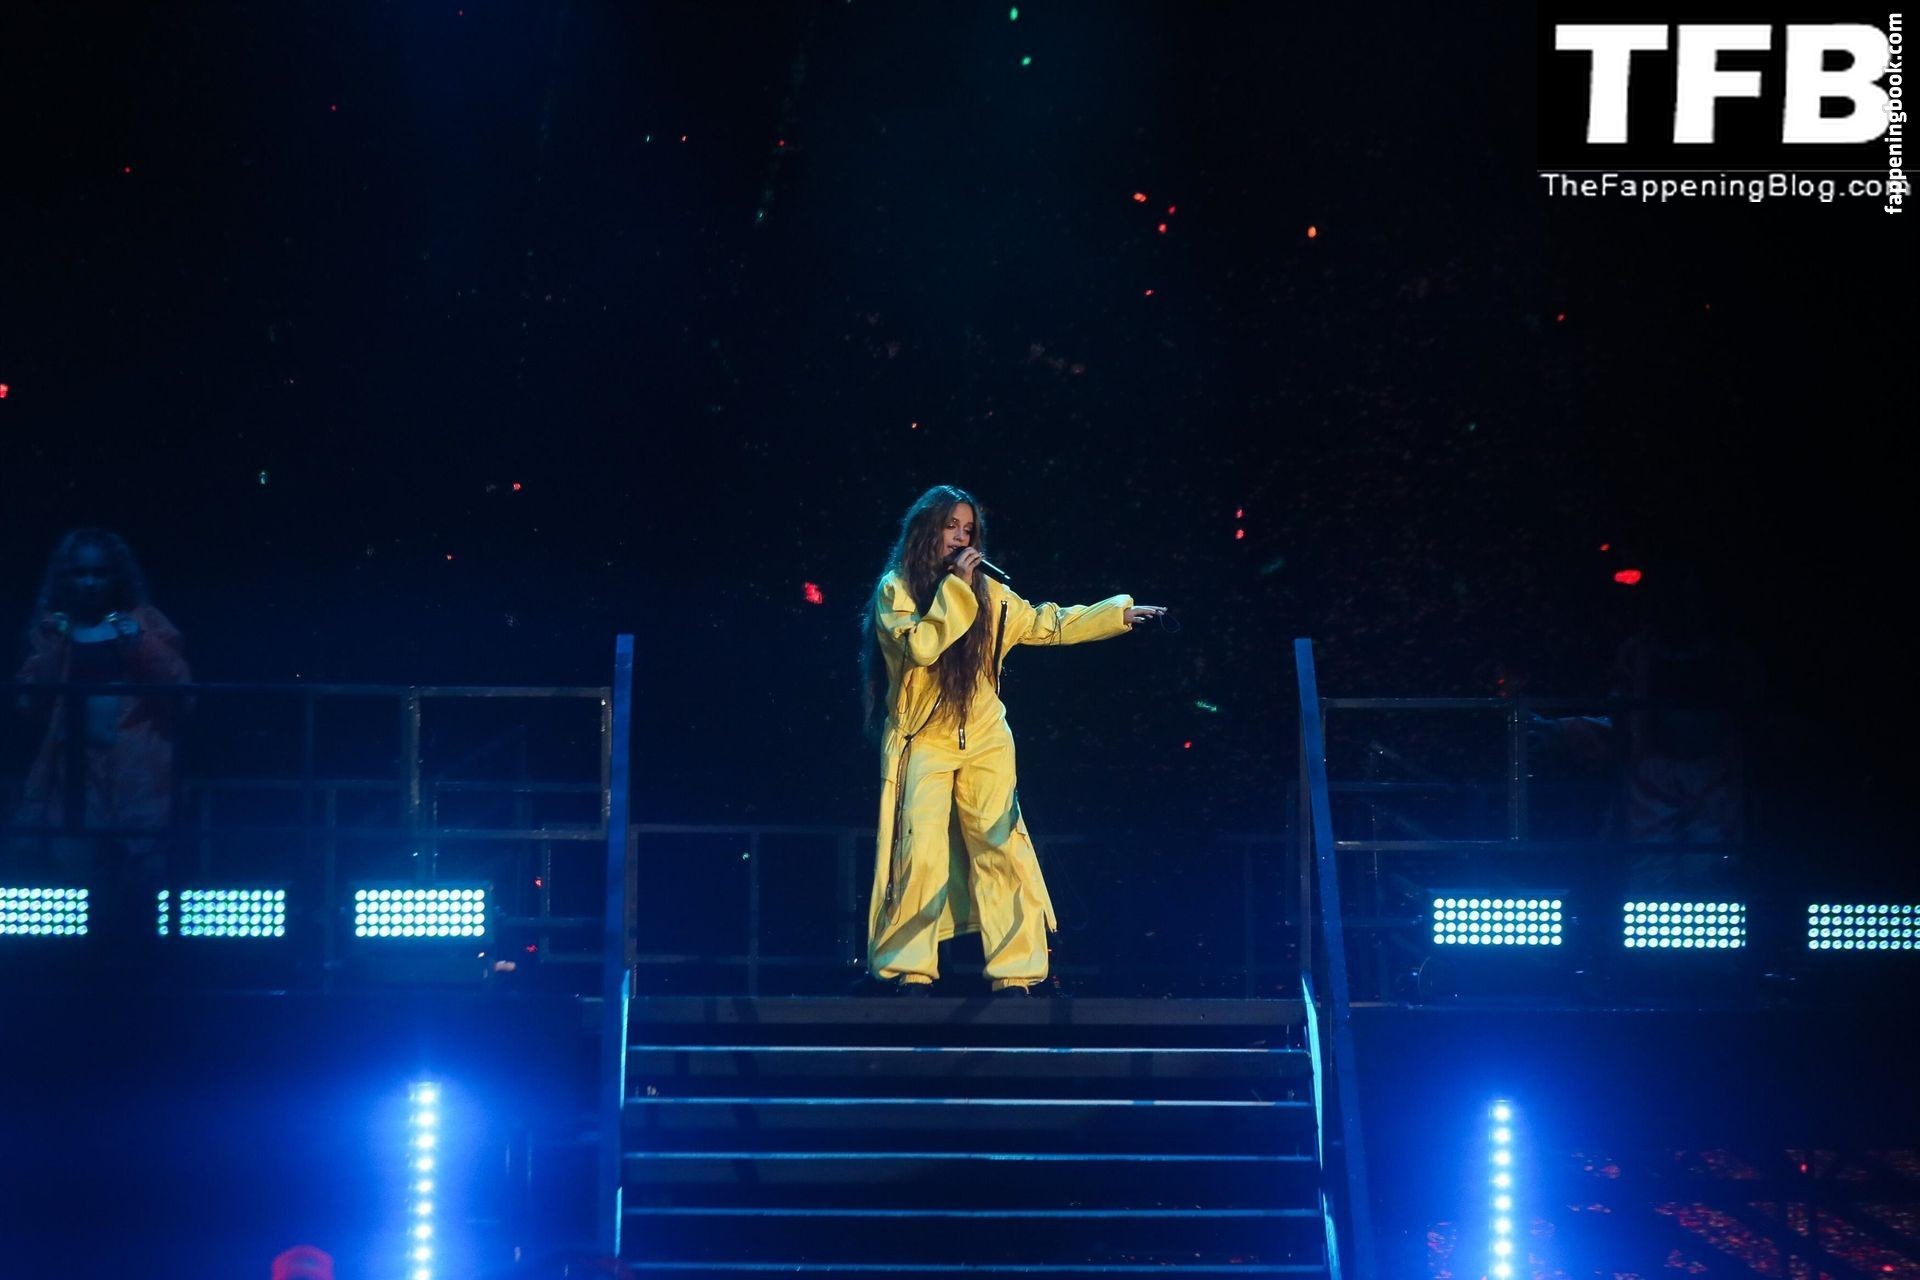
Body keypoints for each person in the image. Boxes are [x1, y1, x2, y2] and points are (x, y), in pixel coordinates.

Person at [858, 485, 1167, 995]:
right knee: (920, 850)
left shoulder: (993, 594)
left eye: (968, 530)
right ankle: (908, 970)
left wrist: (1116, 615)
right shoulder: (898, 590)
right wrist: (957, 589)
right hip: (922, 736)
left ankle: (1017, 973)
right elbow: (924, 647)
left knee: (1000, 846)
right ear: (926, 530)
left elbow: (1047, 623)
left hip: (985, 735)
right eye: (951, 527)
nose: (961, 538)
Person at [11, 529, 191, 930]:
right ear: (67, 577)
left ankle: (144, 959)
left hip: (137, 772)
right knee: (76, 884)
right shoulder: (52, 630)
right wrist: (53, 647)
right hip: (74, 775)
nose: (90, 582)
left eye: (99, 572)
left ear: (115, 576)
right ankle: (78, 964)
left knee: (143, 883)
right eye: (81, 573)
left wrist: (141, 644)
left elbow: (181, 691)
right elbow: (30, 703)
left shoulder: (144, 623)